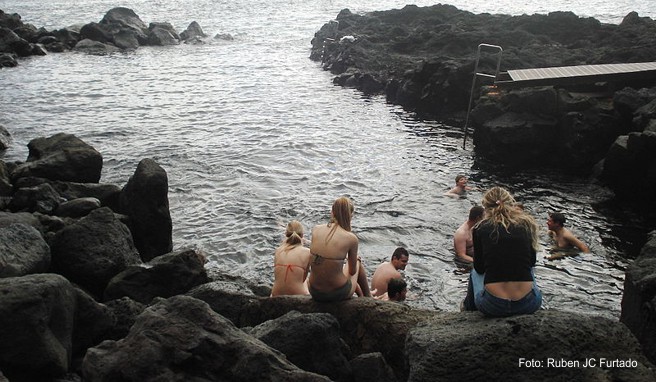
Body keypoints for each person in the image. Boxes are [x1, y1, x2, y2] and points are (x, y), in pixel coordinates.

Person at [462, 186, 542, 317]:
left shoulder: (480, 228)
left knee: (474, 272)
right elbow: (532, 262)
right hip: (529, 304)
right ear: (510, 203)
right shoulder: (527, 225)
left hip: (492, 306)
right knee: (528, 269)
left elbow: (480, 268)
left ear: (486, 207)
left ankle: (468, 309)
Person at [308, 197, 372, 302]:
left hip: (314, 291)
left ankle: (366, 296)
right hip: (337, 293)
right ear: (350, 216)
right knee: (357, 261)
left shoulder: (316, 229)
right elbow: (352, 271)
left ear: (332, 212)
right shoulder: (351, 238)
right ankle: (369, 297)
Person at [271, 220, 312, 296]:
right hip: (298, 294)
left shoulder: (278, 250)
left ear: (286, 234)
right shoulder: (307, 252)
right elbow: (303, 279)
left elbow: (277, 276)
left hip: (275, 293)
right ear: (302, 235)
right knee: (307, 280)